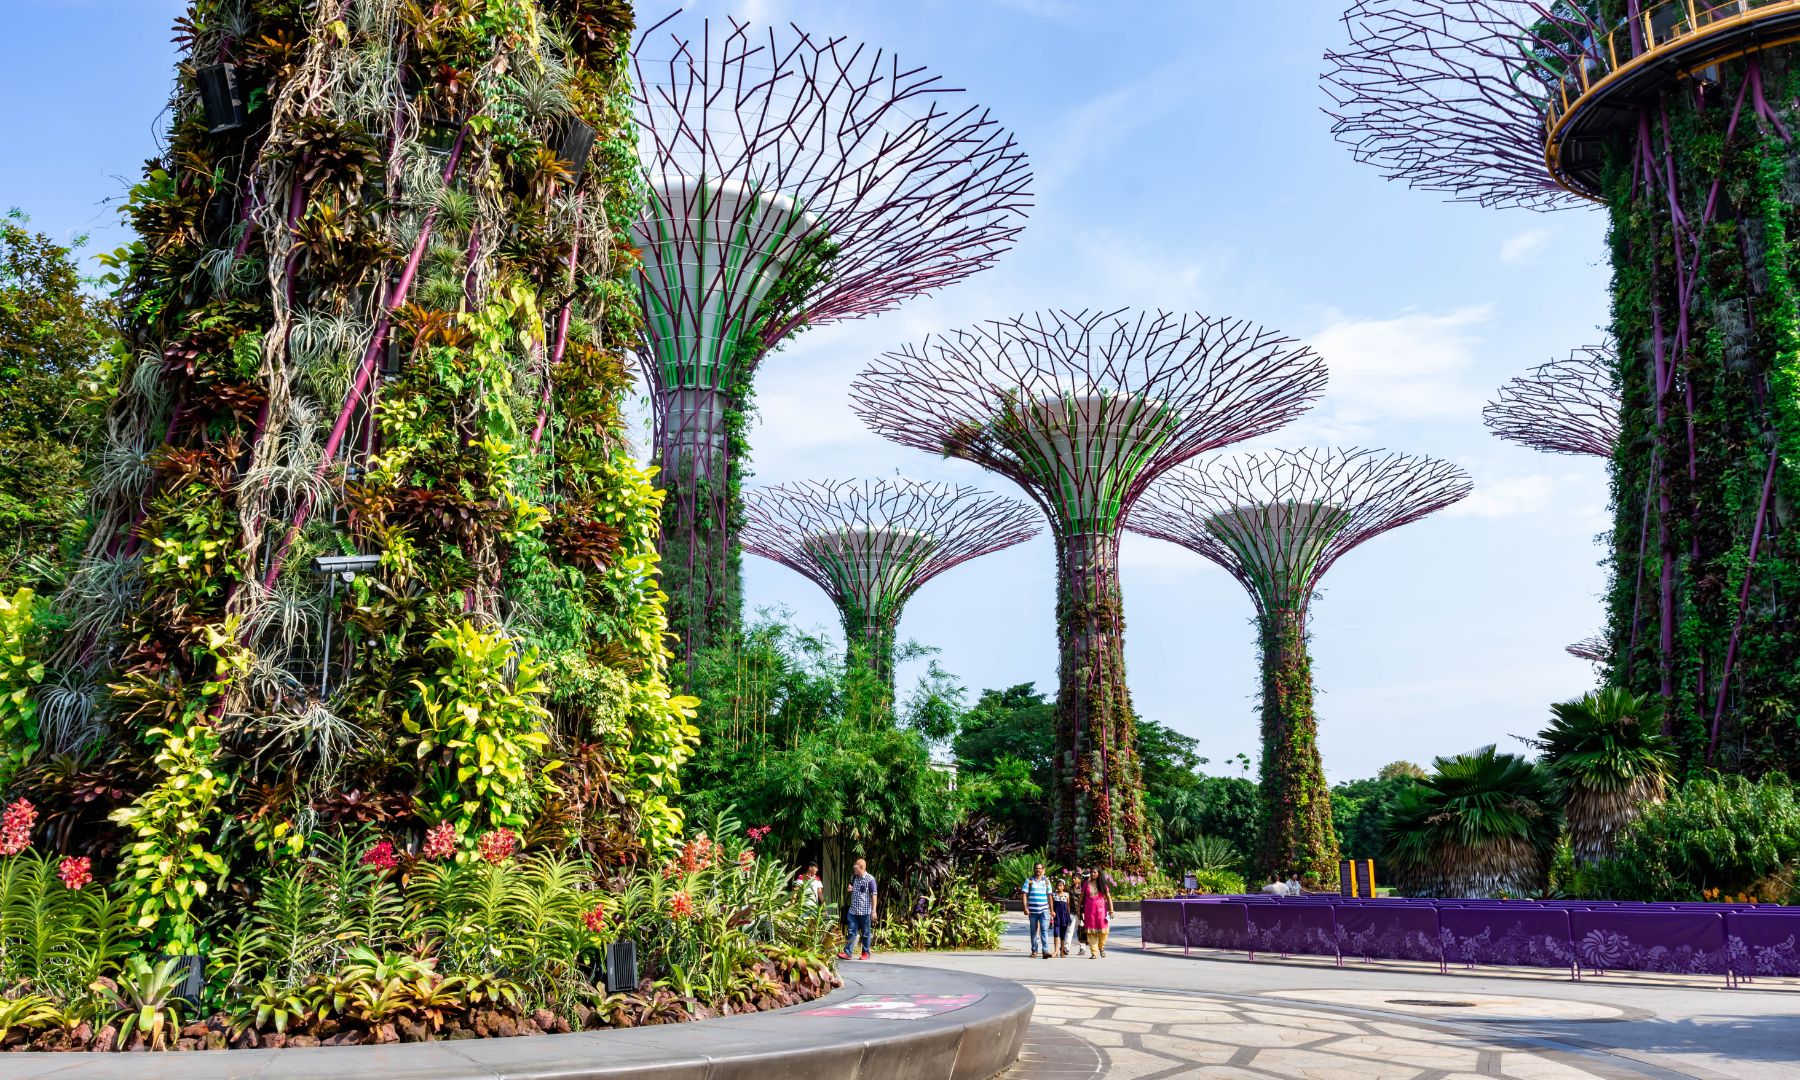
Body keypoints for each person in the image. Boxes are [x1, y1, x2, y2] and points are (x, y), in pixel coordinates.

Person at [840, 858, 878, 960]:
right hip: (853, 911)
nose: (853, 869)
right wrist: (849, 888)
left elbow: (874, 895)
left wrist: (873, 911)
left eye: (855, 867)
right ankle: (848, 953)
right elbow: (851, 888)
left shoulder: (870, 879)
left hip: (865, 912)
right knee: (851, 931)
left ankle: (866, 953)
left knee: (865, 933)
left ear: (861, 867)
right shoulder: (853, 877)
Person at [1021, 861, 1052, 959]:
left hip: (1044, 910)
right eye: (1037, 868)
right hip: (1033, 911)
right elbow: (1024, 894)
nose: (1038, 870)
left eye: (1040, 868)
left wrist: (1052, 910)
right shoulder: (1029, 881)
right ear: (1034, 869)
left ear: (1043, 870)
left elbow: (1050, 896)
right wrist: (1025, 908)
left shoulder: (1046, 881)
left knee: (1044, 930)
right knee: (1033, 931)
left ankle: (1045, 951)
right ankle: (1034, 951)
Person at [1082, 870, 1113, 959]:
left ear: (1098, 873)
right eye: (1091, 872)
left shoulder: (1102, 884)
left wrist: (1111, 910)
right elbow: (1082, 897)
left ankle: (1101, 947)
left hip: (1101, 911)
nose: (1093, 874)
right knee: (1091, 933)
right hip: (1089, 911)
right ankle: (1094, 953)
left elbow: (1109, 897)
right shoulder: (1086, 884)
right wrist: (1079, 910)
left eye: (1095, 872)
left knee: (1104, 932)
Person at [1051, 880, 1073, 958]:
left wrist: (1069, 917)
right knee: (1056, 933)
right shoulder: (1053, 895)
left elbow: (1068, 906)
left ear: (1064, 887)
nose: (1059, 887)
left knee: (1063, 935)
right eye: (1057, 885)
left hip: (1064, 916)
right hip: (1057, 917)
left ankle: (1062, 951)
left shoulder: (1066, 895)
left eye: (1060, 885)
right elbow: (1052, 906)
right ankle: (1056, 951)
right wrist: (1052, 913)